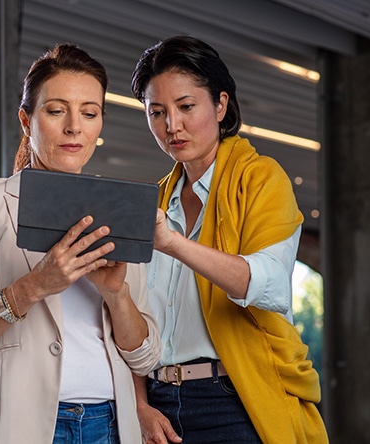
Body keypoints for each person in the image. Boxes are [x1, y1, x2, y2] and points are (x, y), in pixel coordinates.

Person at [0, 43, 160, 444]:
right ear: (27, 120)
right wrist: (33, 287)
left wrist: (116, 296)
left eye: (89, 113)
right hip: (22, 425)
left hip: (110, 426)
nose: (74, 127)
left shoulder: (121, 211)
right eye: (57, 110)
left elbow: (145, 355)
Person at [129, 35, 328, 443]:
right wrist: (139, 404)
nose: (172, 126)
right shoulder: (154, 201)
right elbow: (133, 313)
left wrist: (174, 244)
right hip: (158, 404)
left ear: (220, 105)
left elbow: (268, 284)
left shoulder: (261, 179)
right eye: (157, 112)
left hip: (233, 401)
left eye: (186, 107)